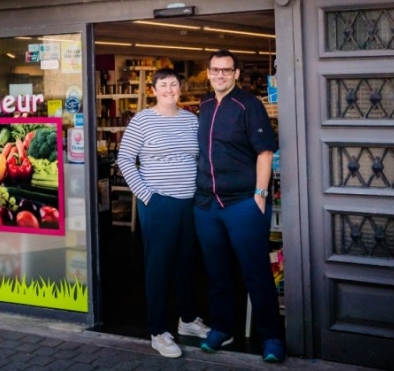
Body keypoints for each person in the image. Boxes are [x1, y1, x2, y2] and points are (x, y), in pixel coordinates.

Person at [193, 49, 285, 363]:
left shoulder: (249, 105)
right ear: (208, 73)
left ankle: (271, 336)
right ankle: (221, 328)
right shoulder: (203, 105)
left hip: (243, 203)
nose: (220, 75)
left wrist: (260, 195)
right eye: (215, 70)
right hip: (207, 205)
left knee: (256, 272)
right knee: (217, 272)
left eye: (226, 70)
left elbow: (265, 153)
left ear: (236, 74)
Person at [116, 67, 210, 359]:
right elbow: (125, 159)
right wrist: (147, 197)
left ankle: (187, 319)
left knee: (187, 264)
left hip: (189, 203)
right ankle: (158, 331)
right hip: (159, 204)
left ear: (180, 88)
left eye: (174, 84)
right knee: (159, 267)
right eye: (163, 85)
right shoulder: (142, 121)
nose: (170, 89)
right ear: (154, 90)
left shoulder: (191, 120)